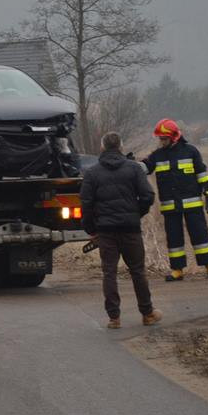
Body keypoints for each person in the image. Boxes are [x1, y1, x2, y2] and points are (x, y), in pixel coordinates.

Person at [81, 132, 162, 329]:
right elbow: (148, 195)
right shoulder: (134, 168)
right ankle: (147, 314)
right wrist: (136, 214)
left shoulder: (92, 173)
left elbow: (86, 204)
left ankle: (114, 318)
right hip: (130, 229)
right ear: (121, 146)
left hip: (105, 231)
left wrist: (91, 229)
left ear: (102, 147)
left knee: (109, 272)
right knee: (138, 271)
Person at [139, 119, 208, 281]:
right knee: (174, 238)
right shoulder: (157, 155)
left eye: (164, 139)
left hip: (193, 204)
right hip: (170, 206)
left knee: (200, 235)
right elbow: (144, 168)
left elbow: (202, 174)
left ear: (174, 137)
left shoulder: (191, 151)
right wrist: (131, 164)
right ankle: (177, 270)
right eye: (160, 139)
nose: (161, 142)